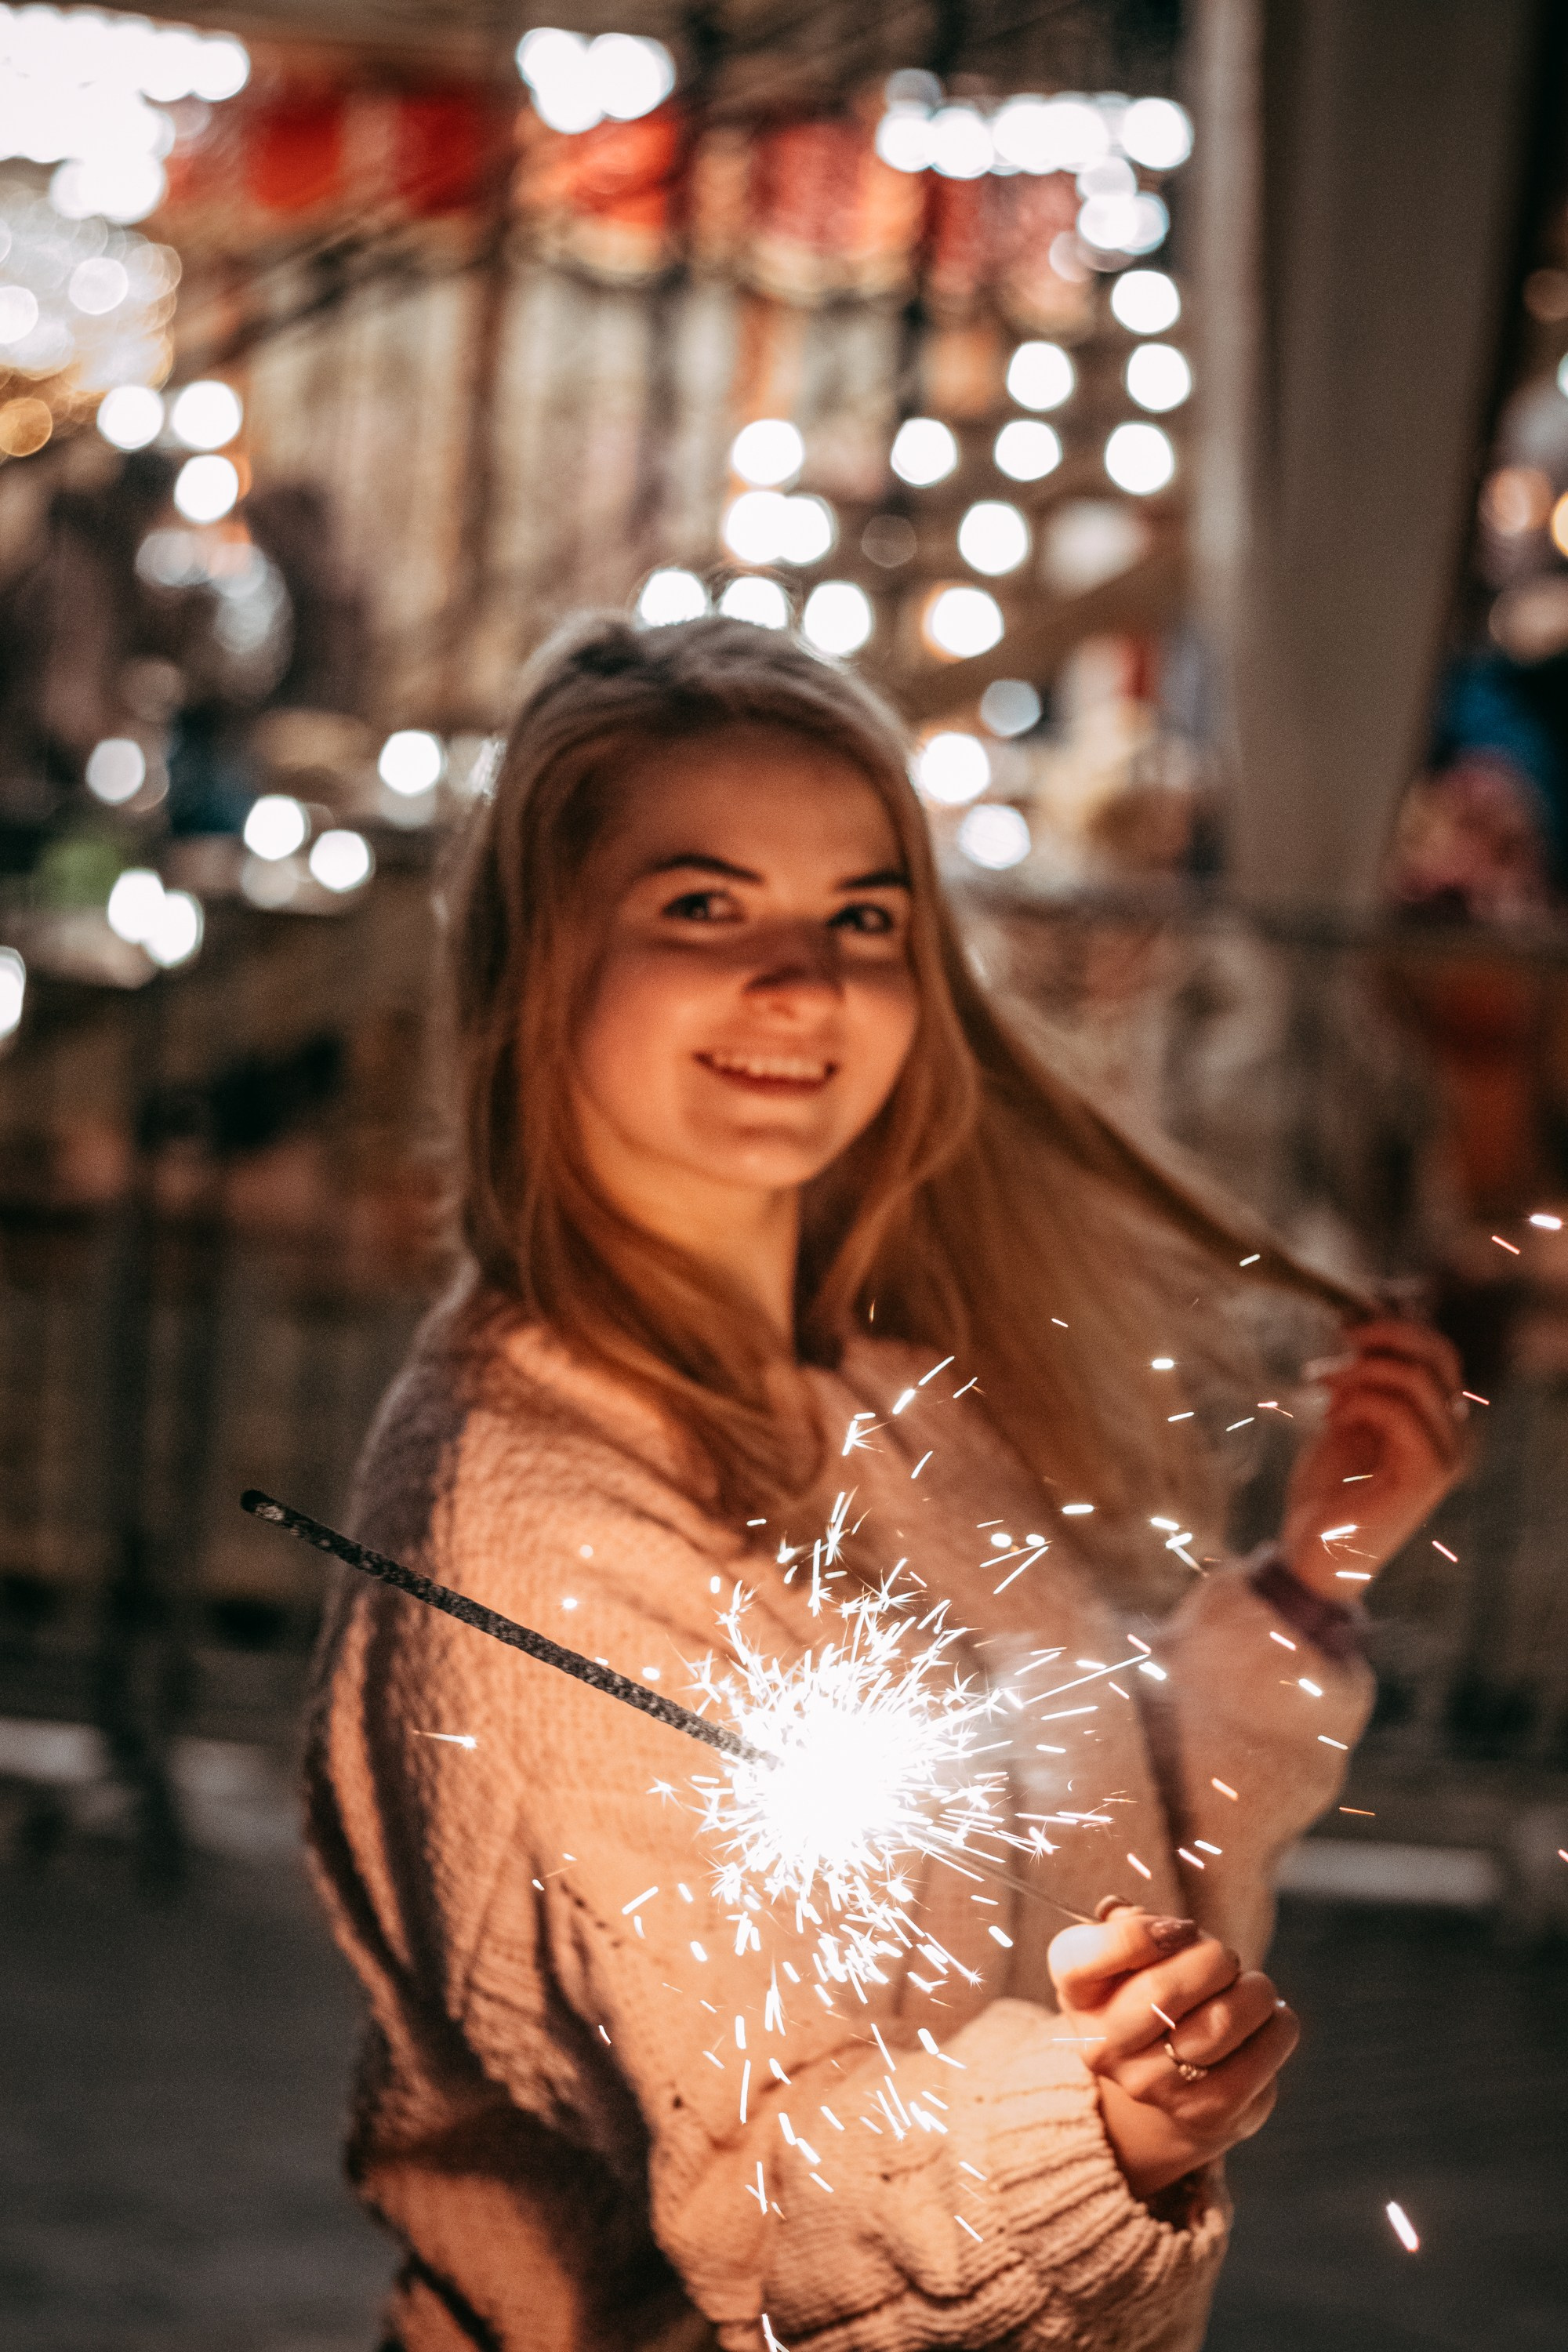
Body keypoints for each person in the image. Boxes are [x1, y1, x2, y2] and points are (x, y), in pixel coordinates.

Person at [305, 613, 1465, 2352]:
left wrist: (1309, 1576)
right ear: (541, 954)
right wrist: (1089, 2131)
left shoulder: (867, 1381)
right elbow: (768, 2199)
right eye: (702, 905)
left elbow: (1087, 1844)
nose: (807, 984)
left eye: (865, 917)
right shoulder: (533, 1531)